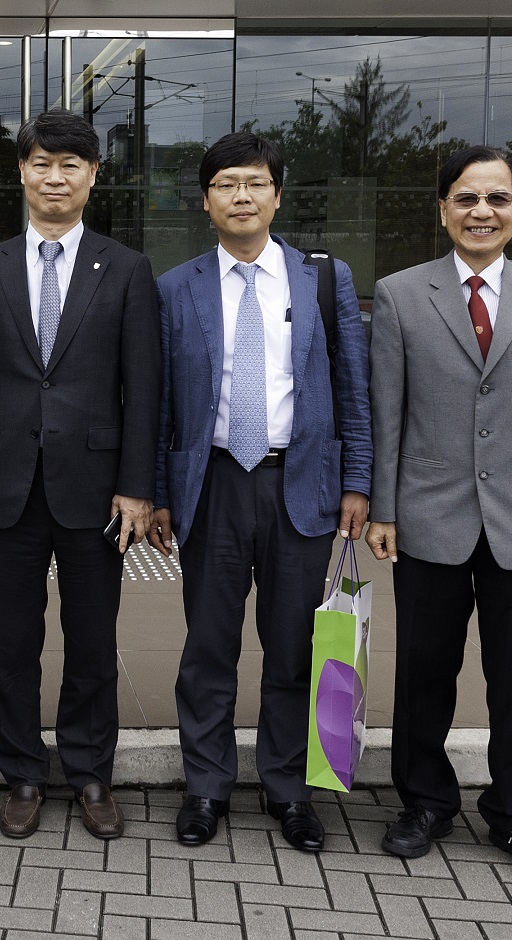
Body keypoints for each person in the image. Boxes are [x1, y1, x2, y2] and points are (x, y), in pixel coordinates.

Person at [365, 145, 512, 884]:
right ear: (442, 209)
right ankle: (424, 803)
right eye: (465, 199)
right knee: (423, 672)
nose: (480, 212)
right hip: (429, 515)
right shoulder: (400, 294)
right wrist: (384, 508)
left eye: (496, 199)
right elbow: (386, 414)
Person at [149, 132, 372, 851]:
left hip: (299, 486)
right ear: (205, 200)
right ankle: (206, 788)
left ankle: (288, 790)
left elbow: (351, 388)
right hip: (210, 486)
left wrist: (357, 481)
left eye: (253, 183)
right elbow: (157, 403)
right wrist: (156, 492)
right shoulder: (175, 287)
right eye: (224, 184)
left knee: (294, 650)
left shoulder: (321, 279)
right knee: (207, 650)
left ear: (276, 195)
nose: (240, 196)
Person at [0, 109, 160, 841]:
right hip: (5, 488)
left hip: (97, 490)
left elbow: (144, 387)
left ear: (93, 175)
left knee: (92, 644)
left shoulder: (127, 269)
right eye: (41, 163)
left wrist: (138, 487)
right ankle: (20, 771)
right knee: (10, 644)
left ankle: (90, 772)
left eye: (70, 164)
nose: (54, 177)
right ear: (21, 172)